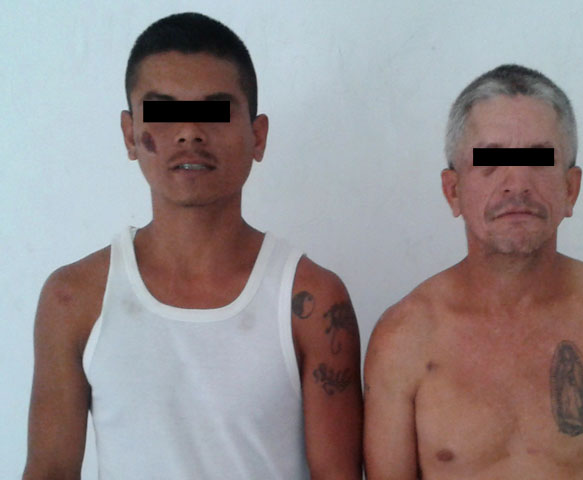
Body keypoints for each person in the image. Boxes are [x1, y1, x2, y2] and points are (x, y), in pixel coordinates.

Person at [23, 13, 362, 480]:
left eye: (216, 111)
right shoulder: (73, 298)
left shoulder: (312, 301)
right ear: (129, 134)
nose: (189, 132)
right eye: (162, 112)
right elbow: (50, 471)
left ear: (258, 136)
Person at [364, 64, 583, 479]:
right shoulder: (404, 338)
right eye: (491, 161)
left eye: (539, 160)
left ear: (570, 189)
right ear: (453, 191)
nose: (517, 184)